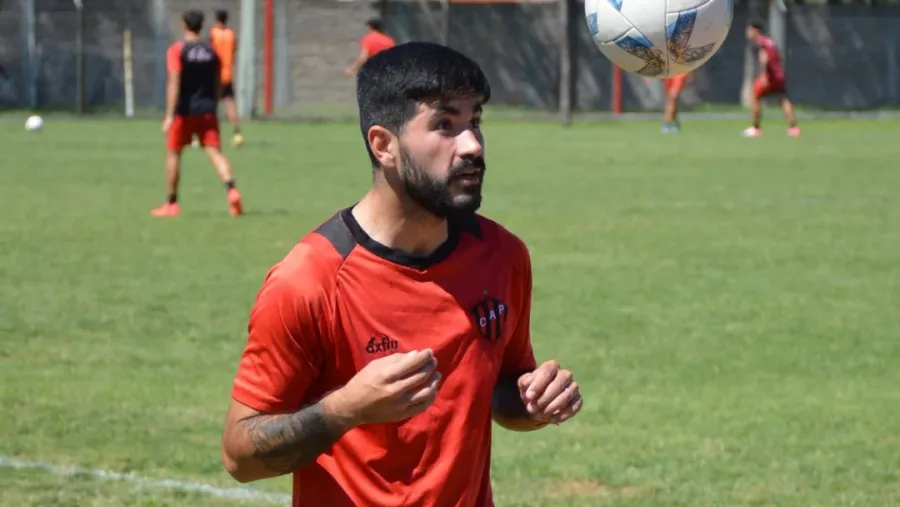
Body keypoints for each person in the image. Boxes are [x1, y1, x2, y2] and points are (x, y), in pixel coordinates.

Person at [221, 42, 584, 506]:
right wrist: (345, 409)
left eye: (474, 121)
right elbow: (240, 456)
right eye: (444, 125)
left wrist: (534, 401)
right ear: (383, 145)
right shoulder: (309, 280)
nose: (472, 145)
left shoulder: (502, 255)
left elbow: (501, 390)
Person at [153, 10, 243, 217]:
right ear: (201, 27)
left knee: (174, 153)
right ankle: (232, 190)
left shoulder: (177, 50)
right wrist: (214, 103)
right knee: (214, 151)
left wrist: (169, 115)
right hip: (207, 110)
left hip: (184, 111)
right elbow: (218, 81)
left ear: (184, 25)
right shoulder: (212, 52)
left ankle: (172, 203)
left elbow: (174, 82)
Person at [743, 21, 799, 138]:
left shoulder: (759, 43)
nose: (747, 33)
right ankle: (794, 128)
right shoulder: (770, 41)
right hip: (778, 75)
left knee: (755, 97)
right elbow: (778, 57)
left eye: (750, 30)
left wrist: (764, 75)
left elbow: (764, 58)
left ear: (756, 31)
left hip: (768, 76)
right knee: (783, 99)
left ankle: (755, 128)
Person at [209, 9, 244, 147]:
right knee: (229, 103)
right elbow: (234, 50)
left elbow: (209, 51)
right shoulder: (231, 34)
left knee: (210, 105)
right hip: (227, 74)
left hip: (215, 74)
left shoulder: (213, 33)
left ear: (216, 20)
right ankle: (237, 131)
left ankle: (206, 133)